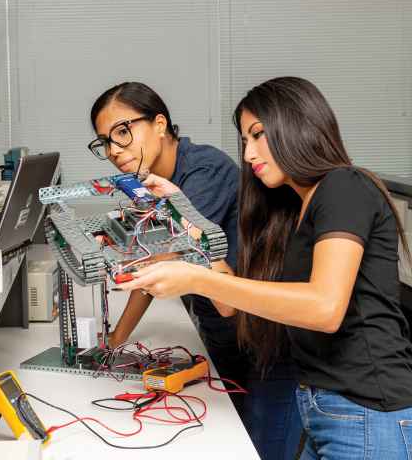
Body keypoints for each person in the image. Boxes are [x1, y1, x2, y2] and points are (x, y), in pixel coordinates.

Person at [121, 76, 412, 459]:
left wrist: (194, 277)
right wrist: (185, 215)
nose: (248, 154)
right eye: (245, 141)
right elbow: (230, 305)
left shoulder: (344, 186)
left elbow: (325, 308)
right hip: (326, 409)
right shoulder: (292, 210)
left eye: (258, 135)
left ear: (298, 125)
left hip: (367, 411)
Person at [88, 81, 302, 459]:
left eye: (123, 132)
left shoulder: (204, 170)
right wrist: (116, 341)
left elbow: (163, 255)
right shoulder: (148, 183)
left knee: (260, 448)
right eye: (104, 141)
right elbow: (155, 263)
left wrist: (121, 250)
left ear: (159, 124)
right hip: (224, 332)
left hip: (267, 342)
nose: (113, 150)